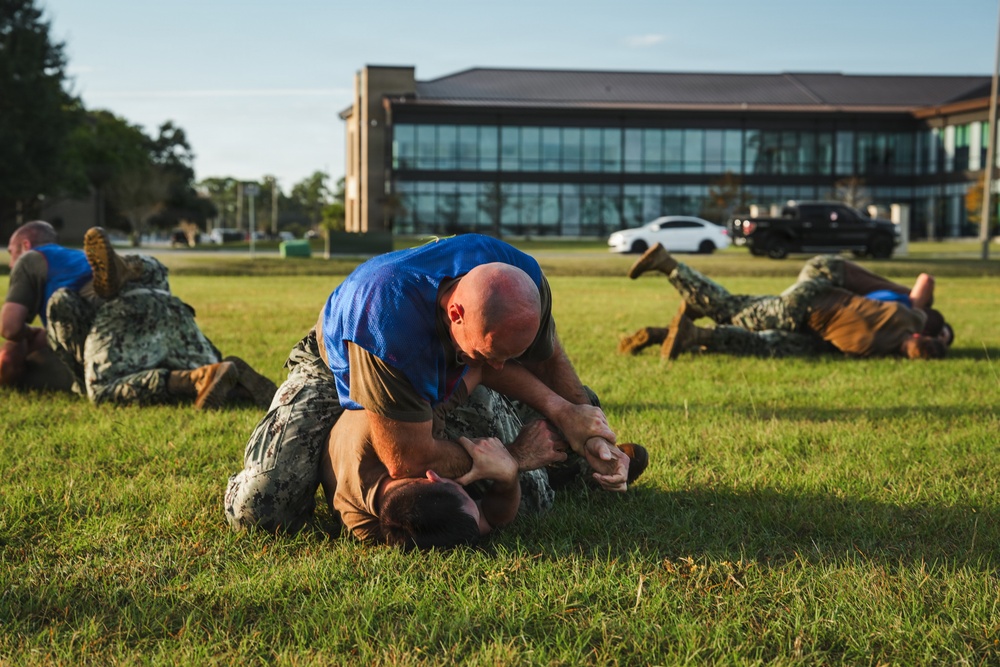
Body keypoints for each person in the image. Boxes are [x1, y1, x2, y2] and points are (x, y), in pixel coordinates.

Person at [225, 234, 647, 544]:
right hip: (339, 367)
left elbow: (543, 357)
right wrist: (514, 458)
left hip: (439, 376)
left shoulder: (520, 279)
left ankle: (581, 466)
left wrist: (583, 424)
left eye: (509, 354)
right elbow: (410, 459)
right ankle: (323, 445)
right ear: (456, 312)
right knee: (261, 510)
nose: (502, 367)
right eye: (492, 352)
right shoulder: (383, 317)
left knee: (534, 498)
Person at [2, 221, 275, 408]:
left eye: (11, 252)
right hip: (166, 305)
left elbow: (10, 328)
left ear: (25, 245)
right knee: (209, 375)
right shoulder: (75, 260)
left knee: (101, 389)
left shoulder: (31, 260)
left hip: (119, 317)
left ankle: (194, 379)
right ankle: (232, 377)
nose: (11, 259)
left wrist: (27, 335)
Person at [622, 244, 947, 360]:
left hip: (816, 297)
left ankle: (690, 333)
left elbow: (928, 301)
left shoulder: (910, 318)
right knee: (731, 309)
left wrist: (941, 334)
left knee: (770, 342)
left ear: (920, 336)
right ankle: (668, 265)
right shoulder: (867, 350)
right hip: (804, 310)